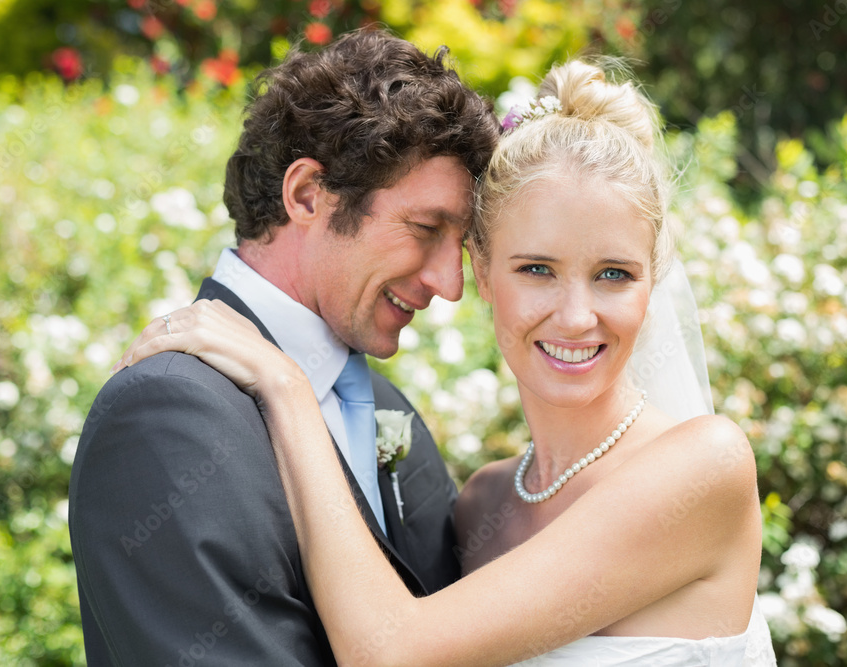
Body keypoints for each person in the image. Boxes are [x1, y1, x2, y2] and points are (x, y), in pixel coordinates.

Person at [121, 59, 778, 665]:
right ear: (484, 274)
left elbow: (390, 649)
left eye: (614, 274)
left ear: (652, 281)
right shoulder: (477, 506)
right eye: (538, 269)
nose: (578, 315)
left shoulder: (705, 466)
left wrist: (286, 385)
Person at [68, 29, 499, 666]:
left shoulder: (386, 408)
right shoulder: (163, 419)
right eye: (426, 228)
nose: (451, 284)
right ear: (306, 195)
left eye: (459, 245)